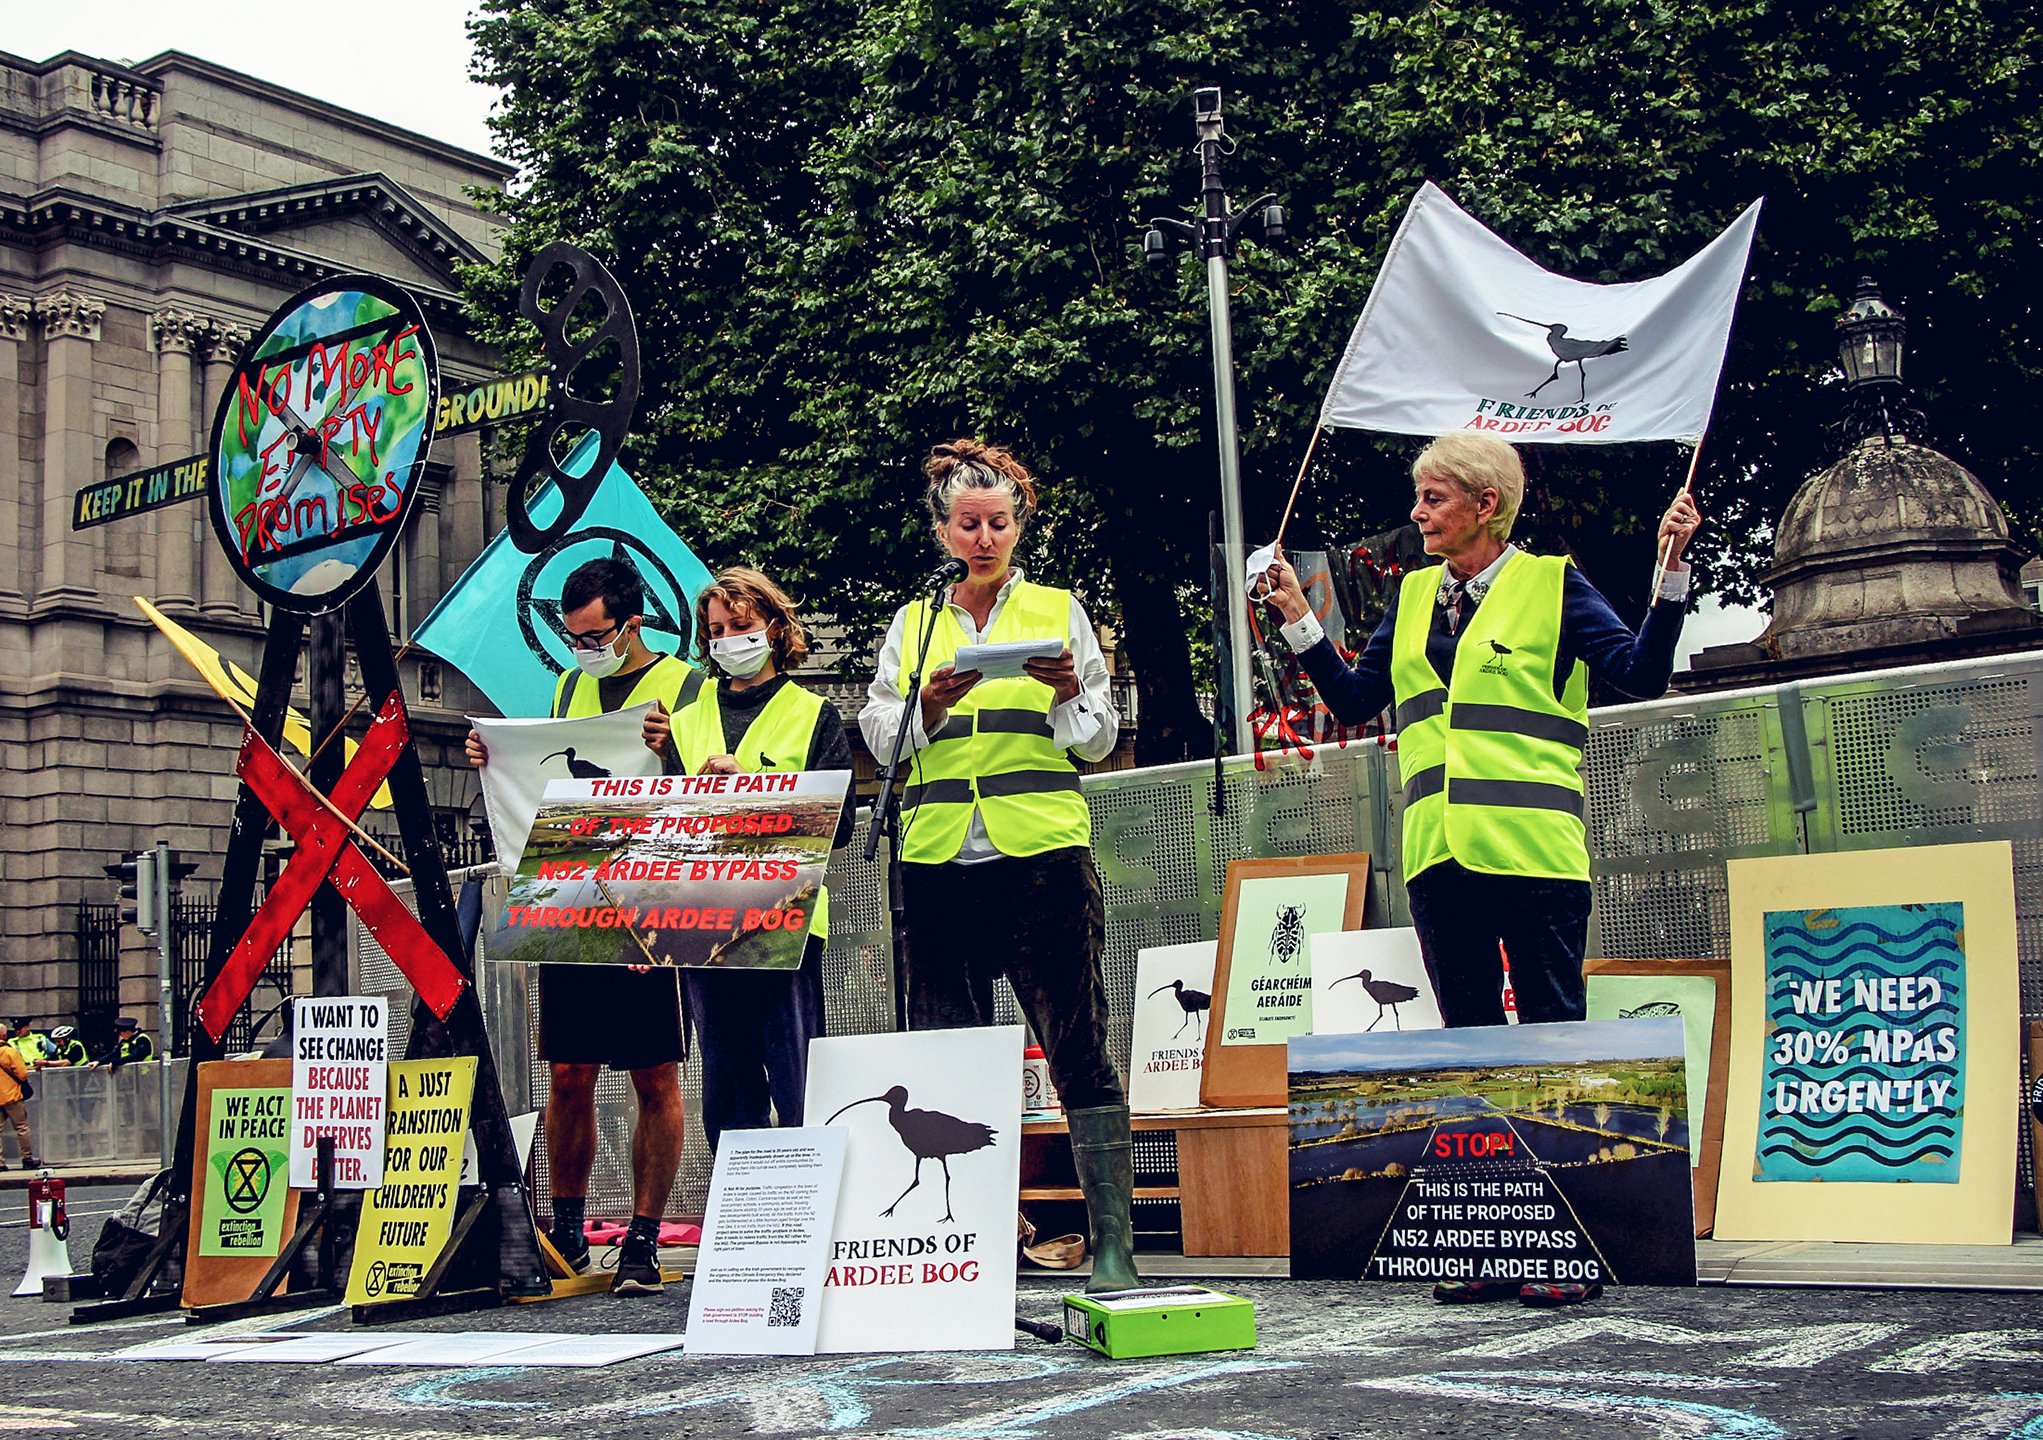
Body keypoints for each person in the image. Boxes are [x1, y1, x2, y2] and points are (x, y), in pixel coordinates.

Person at [1261, 431, 1698, 1308]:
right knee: (1468, 1049)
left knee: (1547, 1042)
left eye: (1432, 499)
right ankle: (1493, 1244)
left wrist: (1670, 569)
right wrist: (1294, 619)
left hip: (1534, 853)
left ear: (1483, 504)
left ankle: (1563, 1251)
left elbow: (1639, 677)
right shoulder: (1415, 595)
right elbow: (1354, 700)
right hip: (1438, 855)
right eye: (1418, 498)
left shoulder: (1551, 584)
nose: (1416, 514)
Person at [858, 438, 1139, 1293]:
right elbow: (881, 739)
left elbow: (1097, 737)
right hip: (939, 863)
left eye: (999, 523)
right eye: (968, 524)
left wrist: (1063, 695)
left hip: (1040, 855)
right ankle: (967, 1245)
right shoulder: (914, 624)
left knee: (1075, 1041)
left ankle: (1112, 1246)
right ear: (943, 532)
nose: (985, 537)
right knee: (945, 1054)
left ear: (1018, 527)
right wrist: (930, 708)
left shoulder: (1059, 609)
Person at [465, 556, 697, 1297]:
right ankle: (566, 1228)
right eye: (572, 637)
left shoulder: (687, 685)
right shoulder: (570, 687)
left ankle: (642, 1235)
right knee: (568, 1071)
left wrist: (677, 752)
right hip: (575, 894)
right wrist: (491, 756)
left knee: (653, 1072)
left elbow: (711, 799)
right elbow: (543, 774)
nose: (583, 649)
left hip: (652, 899)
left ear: (632, 623)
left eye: (594, 636)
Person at [672, 566, 855, 1152]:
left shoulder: (813, 713)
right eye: (716, 629)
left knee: (796, 1074)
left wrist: (752, 787)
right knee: (725, 1082)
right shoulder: (682, 722)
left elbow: (841, 824)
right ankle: (740, 1219)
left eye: (740, 625)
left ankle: (806, 1208)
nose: (727, 640)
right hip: (704, 920)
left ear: (775, 628)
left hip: (786, 918)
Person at [0, 1037, 35, 1171]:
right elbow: (22, 1074)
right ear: (3, 1036)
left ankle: (0, 1164)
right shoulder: (9, 1052)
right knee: (21, 1128)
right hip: (12, 1096)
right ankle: (27, 1159)